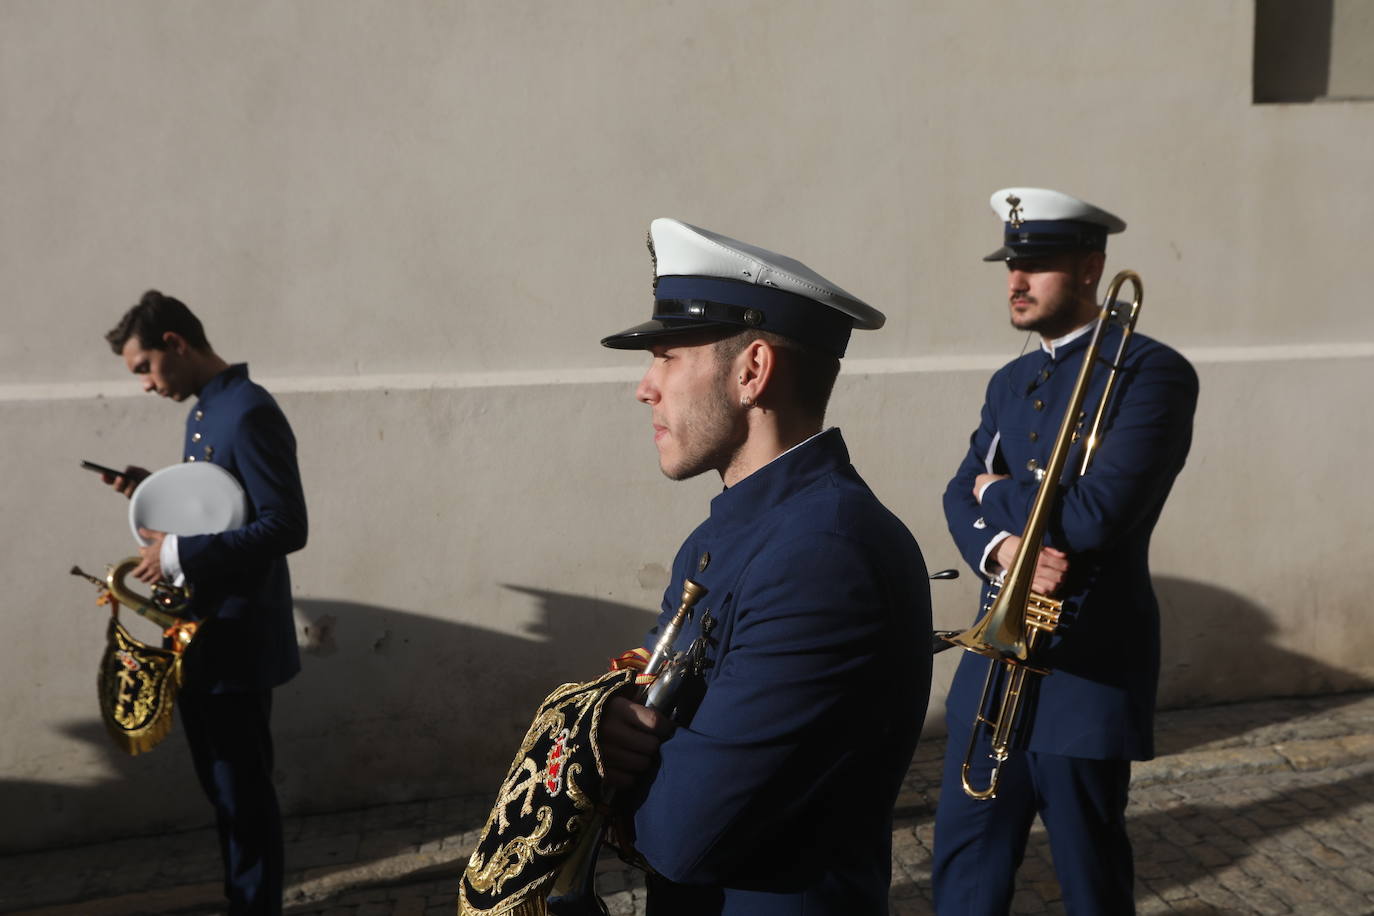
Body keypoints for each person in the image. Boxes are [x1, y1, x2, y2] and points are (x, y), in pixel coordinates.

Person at [594, 218, 933, 914]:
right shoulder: (723, 537)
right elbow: (650, 715)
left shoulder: (825, 556)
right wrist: (611, 727)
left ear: (752, 371)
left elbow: (681, 835)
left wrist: (610, 775)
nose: (645, 387)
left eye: (668, 357)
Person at [932, 189, 1198, 914]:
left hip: (1087, 672)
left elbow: (1091, 516)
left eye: (1037, 266)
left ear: (1090, 269)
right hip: (989, 672)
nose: (1015, 282)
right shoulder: (1012, 381)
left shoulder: (1152, 374)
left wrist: (997, 494)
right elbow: (958, 492)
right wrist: (1004, 549)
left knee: (1090, 878)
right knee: (963, 870)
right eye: (1012, 265)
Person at [100, 290, 308, 916]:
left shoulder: (246, 411)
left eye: (144, 368)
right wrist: (149, 492)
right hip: (204, 633)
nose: (144, 384)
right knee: (223, 791)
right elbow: (222, 508)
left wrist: (175, 555)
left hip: (236, 638)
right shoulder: (207, 412)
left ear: (175, 345)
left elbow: (285, 526)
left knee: (241, 794)